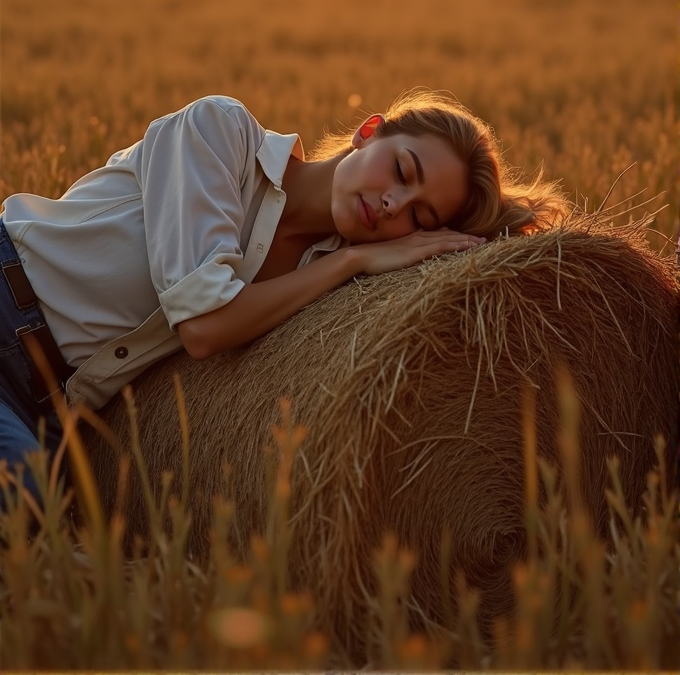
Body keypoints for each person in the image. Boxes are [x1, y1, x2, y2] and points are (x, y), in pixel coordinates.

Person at [0, 89, 565, 504]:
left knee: (35, 519)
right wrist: (353, 259)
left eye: (418, 215)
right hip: (7, 296)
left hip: (55, 405)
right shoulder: (220, 135)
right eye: (401, 170)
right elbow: (203, 325)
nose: (394, 203)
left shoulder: (316, 282)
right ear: (369, 131)